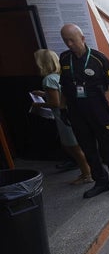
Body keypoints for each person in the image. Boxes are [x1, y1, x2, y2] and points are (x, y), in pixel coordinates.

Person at [58, 23, 109, 198]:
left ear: (82, 38)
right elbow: (64, 87)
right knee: (88, 149)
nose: (69, 44)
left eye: (72, 40)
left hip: (99, 110)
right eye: (66, 41)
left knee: (108, 147)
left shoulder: (98, 58)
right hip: (76, 112)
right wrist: (62, 108)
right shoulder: (65, 59)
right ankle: (101, 182)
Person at [31, 49, 92, 185]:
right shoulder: (59, 77)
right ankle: (88, 172)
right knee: (75, 146)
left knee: (73, 148)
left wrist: (38, 105)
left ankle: (87, 174)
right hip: (71, 115)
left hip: (62, 117)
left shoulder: (48, 79)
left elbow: (55, 102)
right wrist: (43, 94)